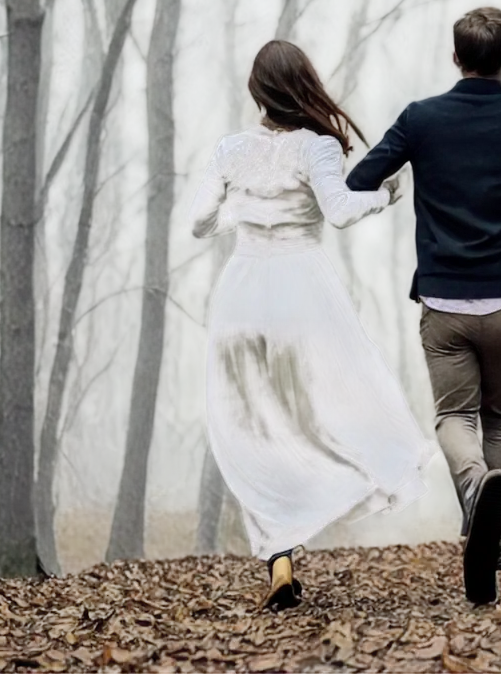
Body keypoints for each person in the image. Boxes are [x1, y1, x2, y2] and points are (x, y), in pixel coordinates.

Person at [346, 5, 501, 606]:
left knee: (455, 419)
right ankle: (497, 536)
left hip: (444, 300)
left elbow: (360, 179)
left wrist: (387, 188)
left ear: (455, 56)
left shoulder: (422, 119)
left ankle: (477, 488)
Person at [187, 39, 439, 612]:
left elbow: (197, 223)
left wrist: (242, 216)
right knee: (348, 395)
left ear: (256, 90)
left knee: (255, 431)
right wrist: (382, 196)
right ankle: (386, 460)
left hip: (241, 299)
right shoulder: (317, 146)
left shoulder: (230, 149)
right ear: (303, 87)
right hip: (302, 291)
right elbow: (339, 211)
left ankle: (279, 558)